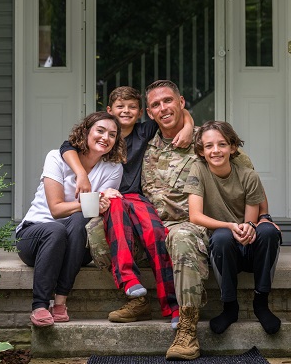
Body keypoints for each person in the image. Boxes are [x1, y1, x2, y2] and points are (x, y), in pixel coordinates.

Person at [141, 80, 265, 360]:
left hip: (195, 225)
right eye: (156, 105)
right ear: (149, 113)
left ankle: (187, 329)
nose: (163, 108)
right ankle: (135, 301)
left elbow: (250, 180)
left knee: (182, 237)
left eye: (168, 101)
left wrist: (263, 217)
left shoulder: (208, 140)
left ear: (182, 102)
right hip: (152, 225)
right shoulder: (143, 142)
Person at [60, 86, 193, 327]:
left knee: (155, 233)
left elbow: (181, 114)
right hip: (109, 198)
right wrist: (81, 174)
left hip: (136, 196)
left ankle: (173, 307)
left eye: (132, 107)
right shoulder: (102, 136)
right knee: (117, 218)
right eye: (120, 107)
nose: (126, 111)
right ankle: (129, 280)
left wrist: (189, 127)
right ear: (109, 111)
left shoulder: (145, 130)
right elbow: (66, 147)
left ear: (142, 112)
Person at [15, 111, 126, 327]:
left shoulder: (113, 169)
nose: (106, 138)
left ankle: (60, 302)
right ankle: (39, 305)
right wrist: (92, 194)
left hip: (75, 244)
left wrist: (98, 203)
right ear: (85, 132)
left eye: (112, 135)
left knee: (78, 220)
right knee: (56, 229)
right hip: (34, 236)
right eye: (100, 131)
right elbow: (56, 209)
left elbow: (94, 210)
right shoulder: (56, 157)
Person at [184, 120, 282, 338]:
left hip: (249, 247)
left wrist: (249, 228)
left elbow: (250, 220)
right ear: (201, 150)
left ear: (232, 147)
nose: (216, 150)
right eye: (209, 146)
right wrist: (229, 225)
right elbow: (195, 215)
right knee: (221, 236)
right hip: (223, 250)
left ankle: (261, 303)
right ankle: (230, 307)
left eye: (221, 144)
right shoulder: (198, 170)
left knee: (268, 231)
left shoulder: (248, 175)